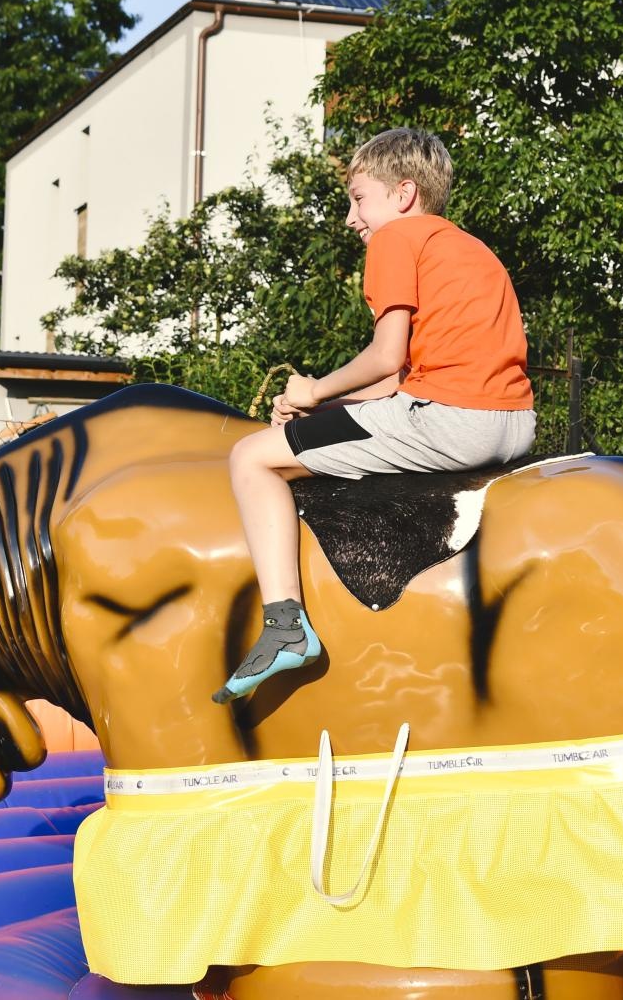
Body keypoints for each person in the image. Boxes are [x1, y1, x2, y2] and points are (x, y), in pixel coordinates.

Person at [213, 127, 536, 705]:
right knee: (309, 432)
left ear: (404, 193)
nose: (351, 218)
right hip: (510, 421)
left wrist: (311, 391)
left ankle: (285, 626)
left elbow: (384, 357)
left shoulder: (397, 239)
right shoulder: (469, 247)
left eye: (359, 198)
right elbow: (395, 381)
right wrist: (329, 407)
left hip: (451, 418)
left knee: (253, 457)